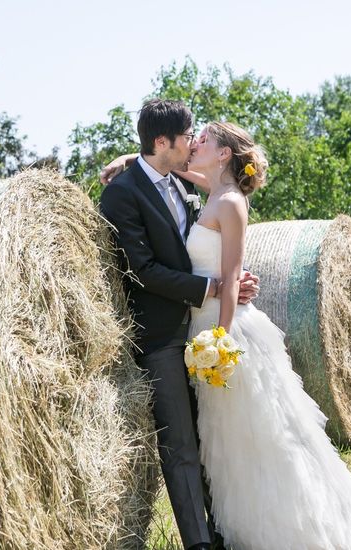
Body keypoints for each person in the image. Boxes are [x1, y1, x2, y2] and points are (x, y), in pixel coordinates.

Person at [104, 121, 351, 549]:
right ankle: (230, 533)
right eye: (191, 138)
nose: (196, 143)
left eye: (204, 139)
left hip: (222, 330)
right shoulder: (203, 190)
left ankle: (297, 528)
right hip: (195, 326)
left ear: (223, 153)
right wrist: (131, 158)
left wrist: (221, 335)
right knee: (224, 441)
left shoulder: (229, 202)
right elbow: (161, 171)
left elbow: (232, 271)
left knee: (264, 435)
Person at [98, 100, 259, 550]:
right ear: (163, 142)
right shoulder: (122, 194)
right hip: (161, 337)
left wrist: (230, 283)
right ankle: (200, 543)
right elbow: (142, 269)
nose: (194, 142)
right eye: (189, 136)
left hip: (199, 330)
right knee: (181, 446)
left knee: (210, 440)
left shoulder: (187, 187)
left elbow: (204, 245)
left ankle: (225, 531)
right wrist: (212, 286)